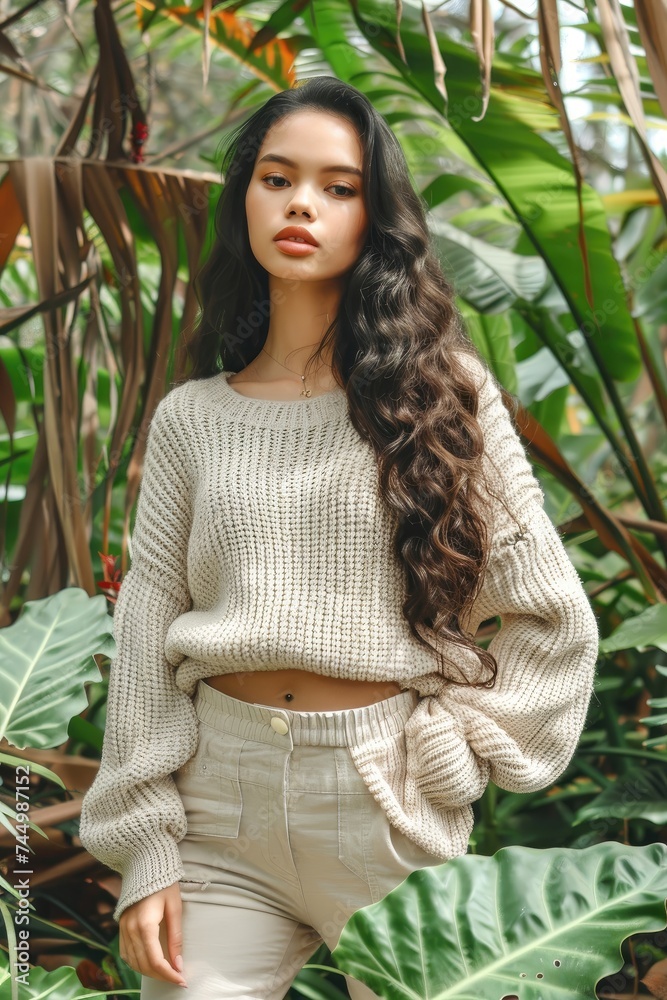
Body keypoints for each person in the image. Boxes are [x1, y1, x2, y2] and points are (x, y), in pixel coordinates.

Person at [78, 76, 599, 999]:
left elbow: (553, 618)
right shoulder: (192, 419)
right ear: (245, 199)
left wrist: (462, 745)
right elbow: (148, 631)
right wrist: (146, 844)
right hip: (218, 804)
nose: (302, 204)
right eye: (277, 178)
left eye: (338, 187)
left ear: (374, 218)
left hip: (385, 800)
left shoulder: (448, 400)